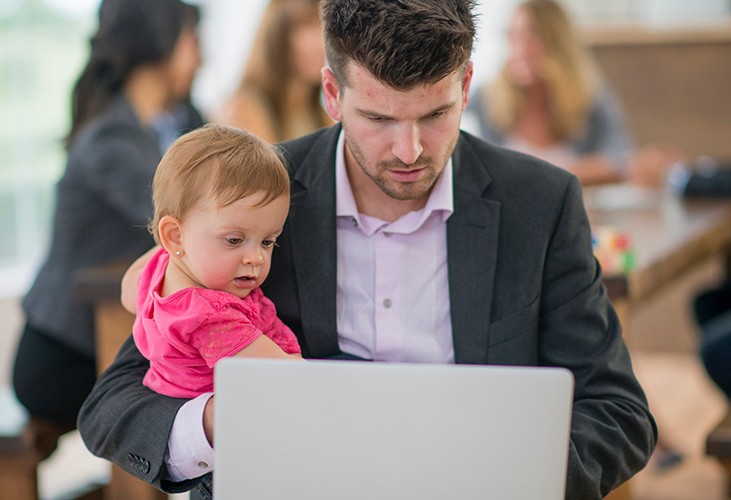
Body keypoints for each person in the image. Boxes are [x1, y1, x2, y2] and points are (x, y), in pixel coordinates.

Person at [78, 1, 657, 498]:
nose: (410, 150)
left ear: (467, 86)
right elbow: (114, 407)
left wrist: (514, 480)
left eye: (435, 114)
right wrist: (217, 421)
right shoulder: (254, 200)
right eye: (379, 117)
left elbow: (618, 411)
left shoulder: (541, 201)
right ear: (332, 92)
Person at [12, 0, 202, 429]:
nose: (200, 56)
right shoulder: (111, 139)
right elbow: (193, 216)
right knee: (192, 391)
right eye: (192, 41)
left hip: (108, 338)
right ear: (162, 48)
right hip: (64, 354)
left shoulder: (178, 121)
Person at [124, 124, 302, 400]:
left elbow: (128, 290)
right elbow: (285, 375)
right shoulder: (212, 318)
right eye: (234, 240)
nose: (255, 258)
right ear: (174, 235)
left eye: (268, 241)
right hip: (233, 427)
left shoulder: (159, 268)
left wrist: (175, 246)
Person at [466, 0, 632, 185]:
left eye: (532, 37)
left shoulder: (590, 97)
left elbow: (621, 160)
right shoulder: (485, 98)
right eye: (514, 37)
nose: (520, 50)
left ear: (557, 44)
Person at [214, 0, 332, 142]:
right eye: (308, 27)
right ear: (277, 37)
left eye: (325, 28)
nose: (321, 42)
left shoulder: (320, 115)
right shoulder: (243, 109)